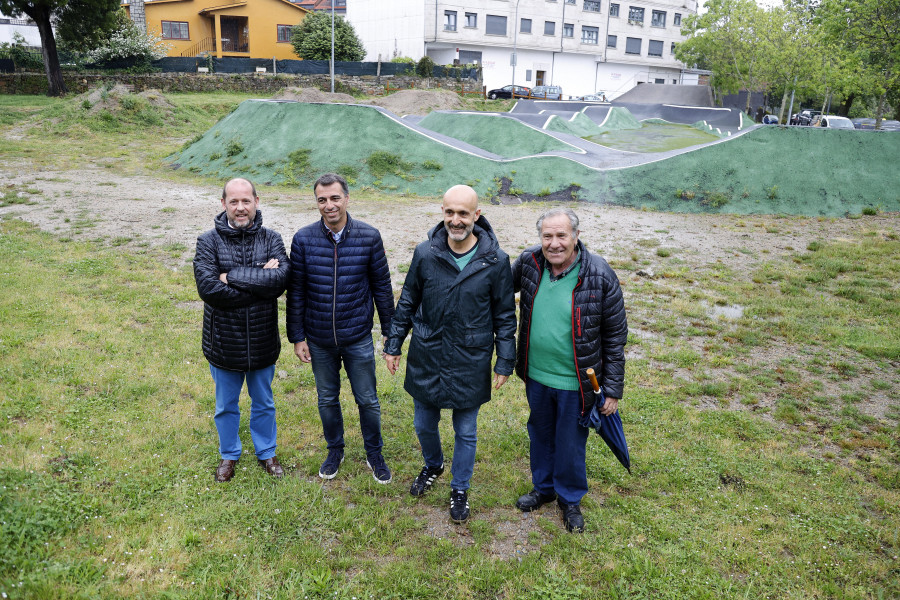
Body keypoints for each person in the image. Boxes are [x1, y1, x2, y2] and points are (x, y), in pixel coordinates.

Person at [384, 184, 516, 523]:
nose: (456, 221)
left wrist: (504, 360)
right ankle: (433, 464)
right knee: (423, 422)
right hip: (427, 352)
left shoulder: (496, 261)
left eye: (463, 214)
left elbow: (504, 314)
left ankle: (460, 487)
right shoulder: (425, 253)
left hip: (470, 357)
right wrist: (394, 343)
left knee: (466, 430)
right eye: (449, 213)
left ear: (477, 215)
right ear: (442, 213)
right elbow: (409, 300)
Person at [510, 207, 627, 532]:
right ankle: (543, 489)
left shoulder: (599, 273)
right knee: (541, 434)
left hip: (577, 382)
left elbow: (616, 335)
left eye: (561, 235)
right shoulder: (530, 263)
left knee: (570, 442)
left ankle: (570, 499)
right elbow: (499, 290)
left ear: (575, 236)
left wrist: (613, 388)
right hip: (536, 375)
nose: (554, 243)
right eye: (547, 236)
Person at [286, 173, 395, 484]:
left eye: (334, 198)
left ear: (347, 198)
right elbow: (297, 291)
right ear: (316, 202)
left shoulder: (369, 236)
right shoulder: (304, 239)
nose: (329, 205)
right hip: (318, 338)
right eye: (322, 199)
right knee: (326, 399)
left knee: (367, 399)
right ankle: (335, 449)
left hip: (357, 336)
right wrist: (297, 337)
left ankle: (374, 453)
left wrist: (391, 334)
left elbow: (382, 288)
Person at [194, 178, 290, 482]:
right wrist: (260, 279)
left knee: (264, 402)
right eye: (233, 202)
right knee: (225, 405)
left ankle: (266, 452)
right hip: (224, 341)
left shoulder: (272, 239)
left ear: (256, 202)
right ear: (223, 204)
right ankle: (229, 454)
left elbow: (280, 281)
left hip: (262, 340)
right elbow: (209, 289)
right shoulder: (207, 241)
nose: (240, 208)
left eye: (245, 201)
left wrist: (230, 276)